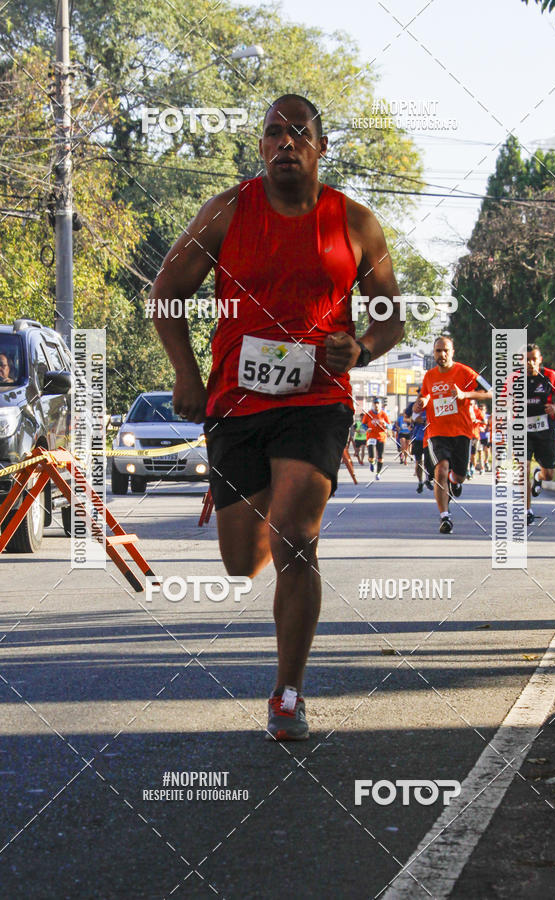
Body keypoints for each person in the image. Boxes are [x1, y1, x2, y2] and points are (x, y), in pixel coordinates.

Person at [149, 94, 404, 741]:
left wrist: (365, 347)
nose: (285, 143)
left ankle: (288, 694)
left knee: (294, 534)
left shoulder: (355, 223)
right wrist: (187, 373)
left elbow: (391, 317)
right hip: (236, 405)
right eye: (273, 134)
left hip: (318, 402)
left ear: (321, 147)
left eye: (299, 133)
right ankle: (251, 504)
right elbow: (167, 294)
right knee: (242, 561)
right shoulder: (229, 211)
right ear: (260, 147)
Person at [414, 336, 492, 534]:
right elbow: (425, 394)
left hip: (461, 432)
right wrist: (421, 402)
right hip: (436, 431)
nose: (442, 354)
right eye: (438, 351)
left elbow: (491, 392)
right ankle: (444, 517)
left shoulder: (465, 372)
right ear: (434, 353)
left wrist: (466, 395)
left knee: (459, 476)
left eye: (446, 350)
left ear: (452, 352)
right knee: (441, 469)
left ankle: (454, 481)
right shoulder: (429, 376)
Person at [526, 343, 555, 525]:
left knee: (549, 474)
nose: (530, 363)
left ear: (540, 360)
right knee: (521, 471)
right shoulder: (514, 379)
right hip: (523, 432)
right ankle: (527, 511)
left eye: (533, 359)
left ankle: (538, 476)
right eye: (526, 360)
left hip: (546, 430)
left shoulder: (550, 376)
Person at [404, 392, 429, 492]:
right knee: (419, 462)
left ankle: (428, 479)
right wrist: (412, 420)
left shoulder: (431, 404)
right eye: (420, 395)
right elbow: (405, 418)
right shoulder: (413, 406)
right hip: (418, 437)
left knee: (428, 462)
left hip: (430, 438)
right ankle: (420, 482)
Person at [362, 398, 390, 480]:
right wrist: (367, 428)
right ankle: (372, 462)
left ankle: (378, 473)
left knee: (380, 457)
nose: (376, 405)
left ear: (380, 405)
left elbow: (390, 426)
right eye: (375, 403)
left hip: (381, 437)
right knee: (372, 456)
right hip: (371, 436)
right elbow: (363, 424)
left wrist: (386, 425)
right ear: (372, 405)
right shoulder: (368, 414)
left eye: (378, 404)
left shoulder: (383, 414)